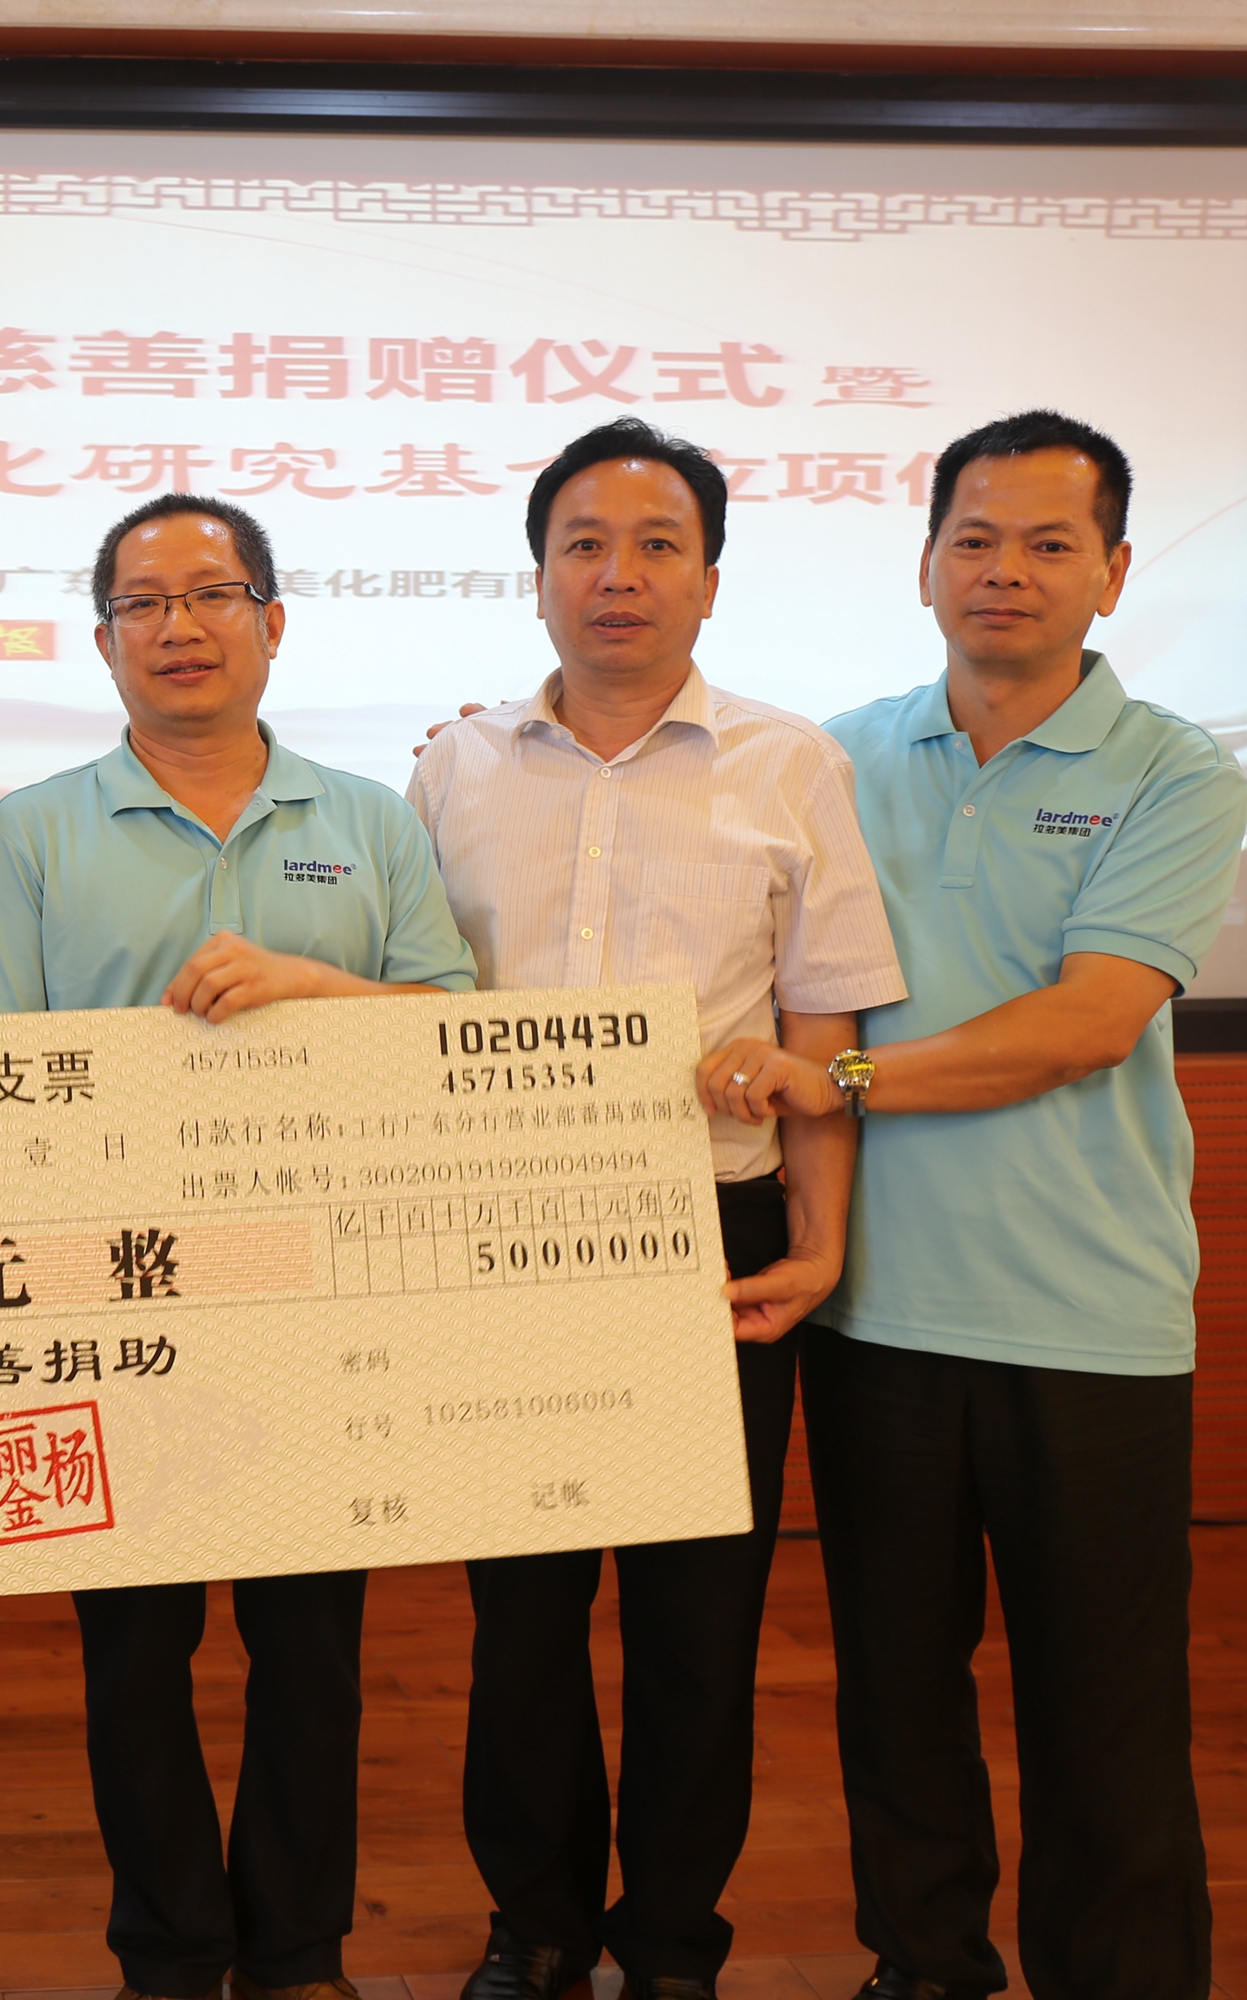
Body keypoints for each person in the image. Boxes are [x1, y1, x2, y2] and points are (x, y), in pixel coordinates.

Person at [722, 411, 1244, 2000]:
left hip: (1091, 1321)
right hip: (876, 1310)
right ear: (926, 563)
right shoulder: (832, 759)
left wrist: (844, 1081)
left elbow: (1085, 1023)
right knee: (896, 1699)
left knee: (1106, 1712)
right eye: (974, 539)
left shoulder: (1176, 770)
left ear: (1114, 573)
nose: (1004, 571)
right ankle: (922, 1969)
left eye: (1047, 544)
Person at [0, 493, 478, 2000]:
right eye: (143, 603)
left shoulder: (370, 821)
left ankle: (299, 1950)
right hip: (115, 1308)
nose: (179, 626)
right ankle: (169, 1951)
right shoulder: (34, 832)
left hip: (323, 1297)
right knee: (133, 1658)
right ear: (103, 639)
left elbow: (454, 1033)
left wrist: (313, 989)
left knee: (313, 1655)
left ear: (272, 621)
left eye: (213, 594)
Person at [404, 418, 906, 2000]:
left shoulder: (791, 764)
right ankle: (537, 1924)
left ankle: (676, 1940)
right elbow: (407, 1006)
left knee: (700, 1623)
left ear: (710, 578)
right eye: (584, 545)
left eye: (656, 545)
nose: (617, 575)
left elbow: (823, 1022)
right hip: (500, 1241)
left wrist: (820, 1240)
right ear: (538, 574)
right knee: (522, 1621)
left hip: (713, 1241)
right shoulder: (452, 764)